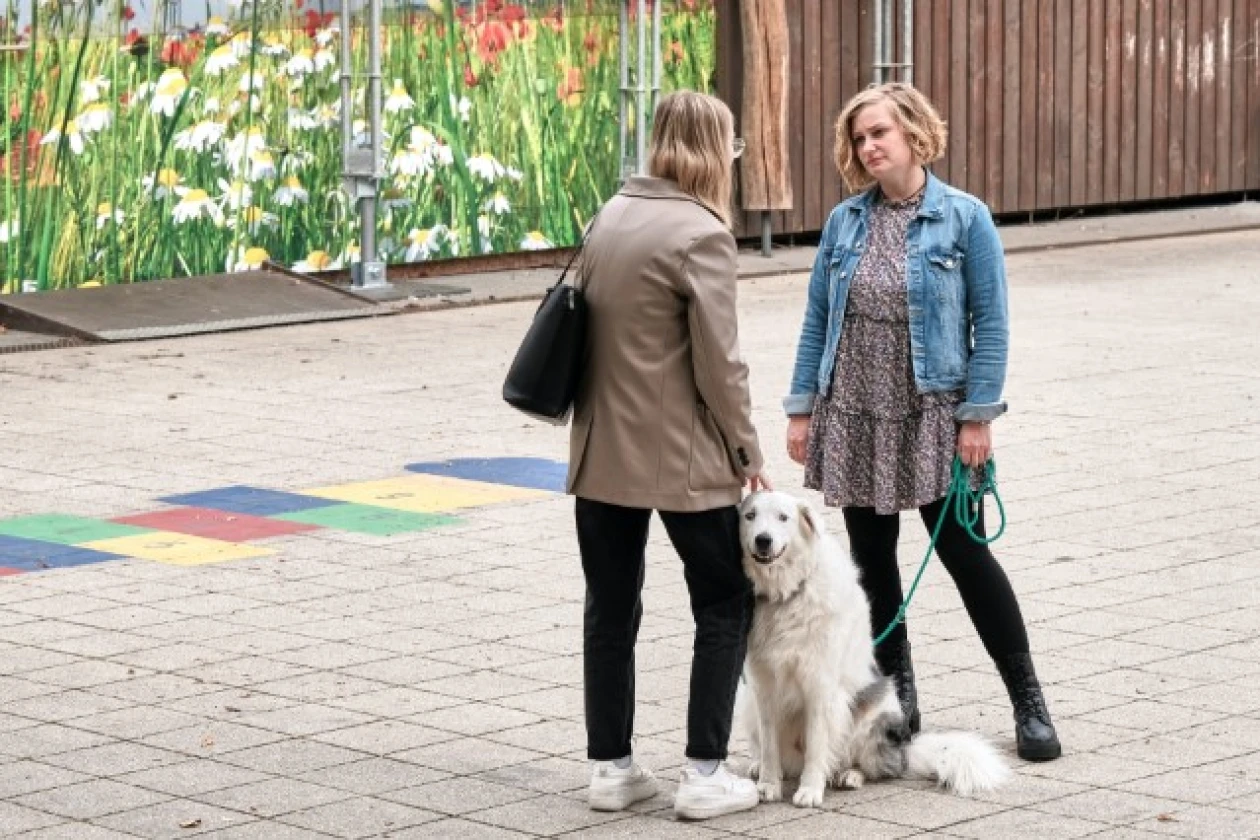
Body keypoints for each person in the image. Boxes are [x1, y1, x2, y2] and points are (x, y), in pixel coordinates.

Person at [783, 82, 1061, 762]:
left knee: (966, 554)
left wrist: (977, 417)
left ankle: (1029, 702)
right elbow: (819, 317)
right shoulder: (845, 222)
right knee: (874, 566)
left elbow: (990, 324)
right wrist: (801, 408)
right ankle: (897, 708)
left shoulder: (965, 219)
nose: (868, 146)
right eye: (858, 138)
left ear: (914, 133)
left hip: (934, 409)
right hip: (854, 408)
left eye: (879, 132)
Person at [567, 90, 771, 818]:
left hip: (600, 454)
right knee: (724, 600)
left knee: (610, 608)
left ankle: (612, 768)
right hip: (684, 457)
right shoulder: (703, 234)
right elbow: (722, 365)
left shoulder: (609, 217)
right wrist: (748, 449)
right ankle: (704, 772)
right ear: (714, 148)